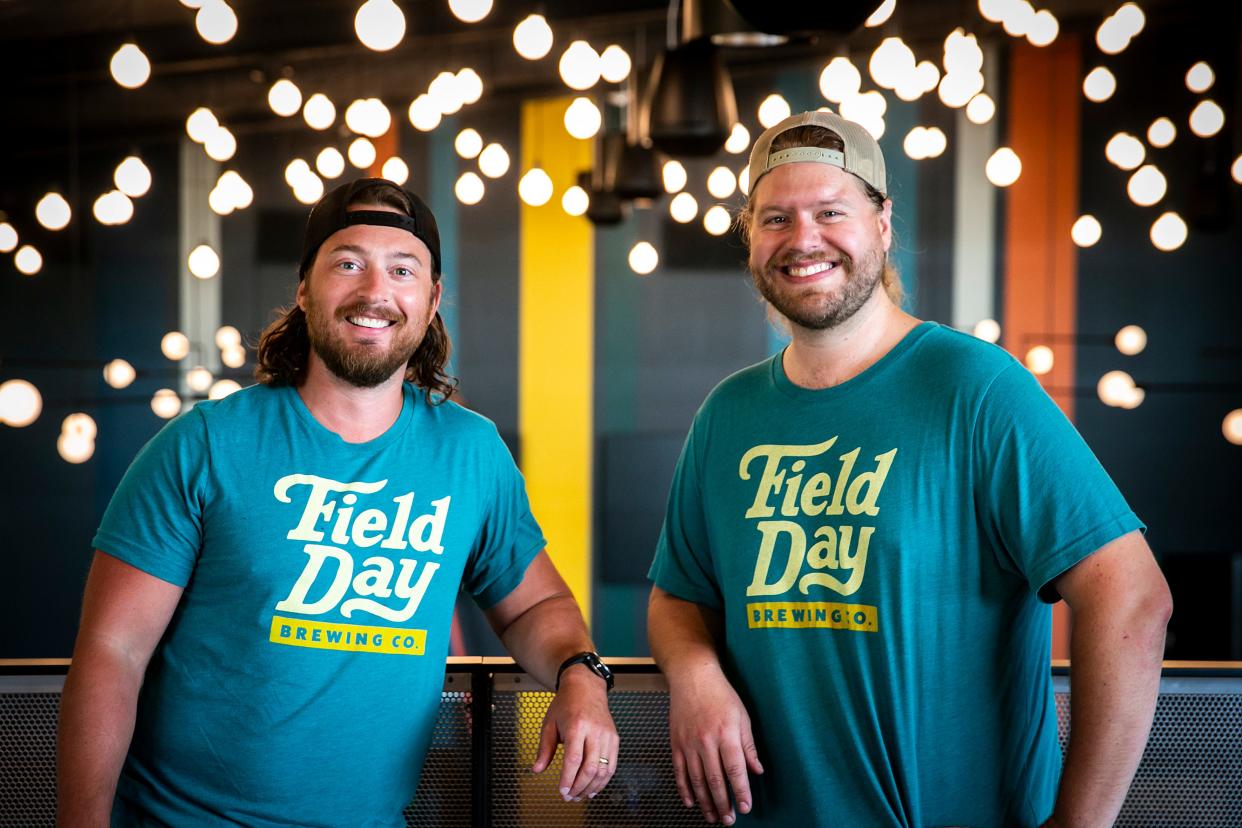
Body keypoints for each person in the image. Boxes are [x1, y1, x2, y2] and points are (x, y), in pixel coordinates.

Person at [647, 111, 1172, 828]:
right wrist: (695, 674)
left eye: (831, 211)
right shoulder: (727, 415)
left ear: (882, 222)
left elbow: (1133, 599)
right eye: (776, 218)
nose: (803, 239)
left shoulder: (976, 388)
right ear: (751, 237)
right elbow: (680, 596)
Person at [57, 178, 618, 827]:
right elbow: (112, 653)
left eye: (401, 269)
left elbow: (536, 606)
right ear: (304, 289)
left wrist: (581, 674)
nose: (374, 292)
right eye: (348, 262)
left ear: (432, 299)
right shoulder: (205, 443)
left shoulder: (472, 453)